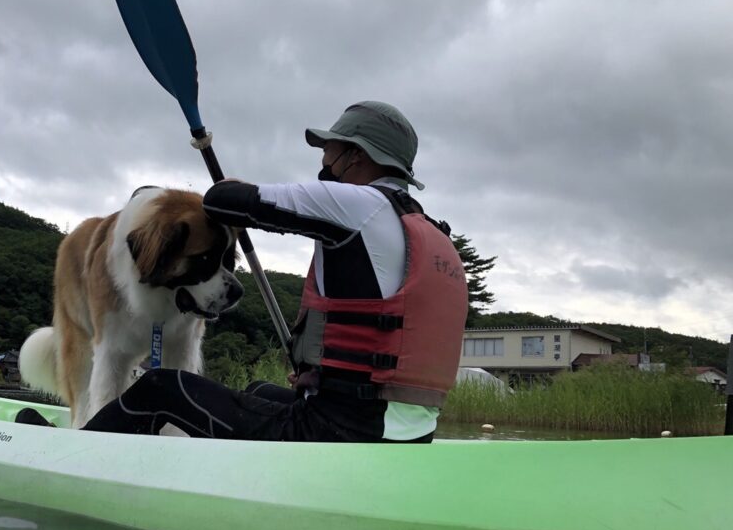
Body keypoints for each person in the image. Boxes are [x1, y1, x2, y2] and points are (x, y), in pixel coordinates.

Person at [83, 101, 468, 443]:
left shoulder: (359, 203)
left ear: (355, 156)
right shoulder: (430, 232)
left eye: (328, 148)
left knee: (159, 387)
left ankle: (83, 455)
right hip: (407, 432)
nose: (323, 159)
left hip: (344, 432)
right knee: (259, 392)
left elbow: (225, 201)